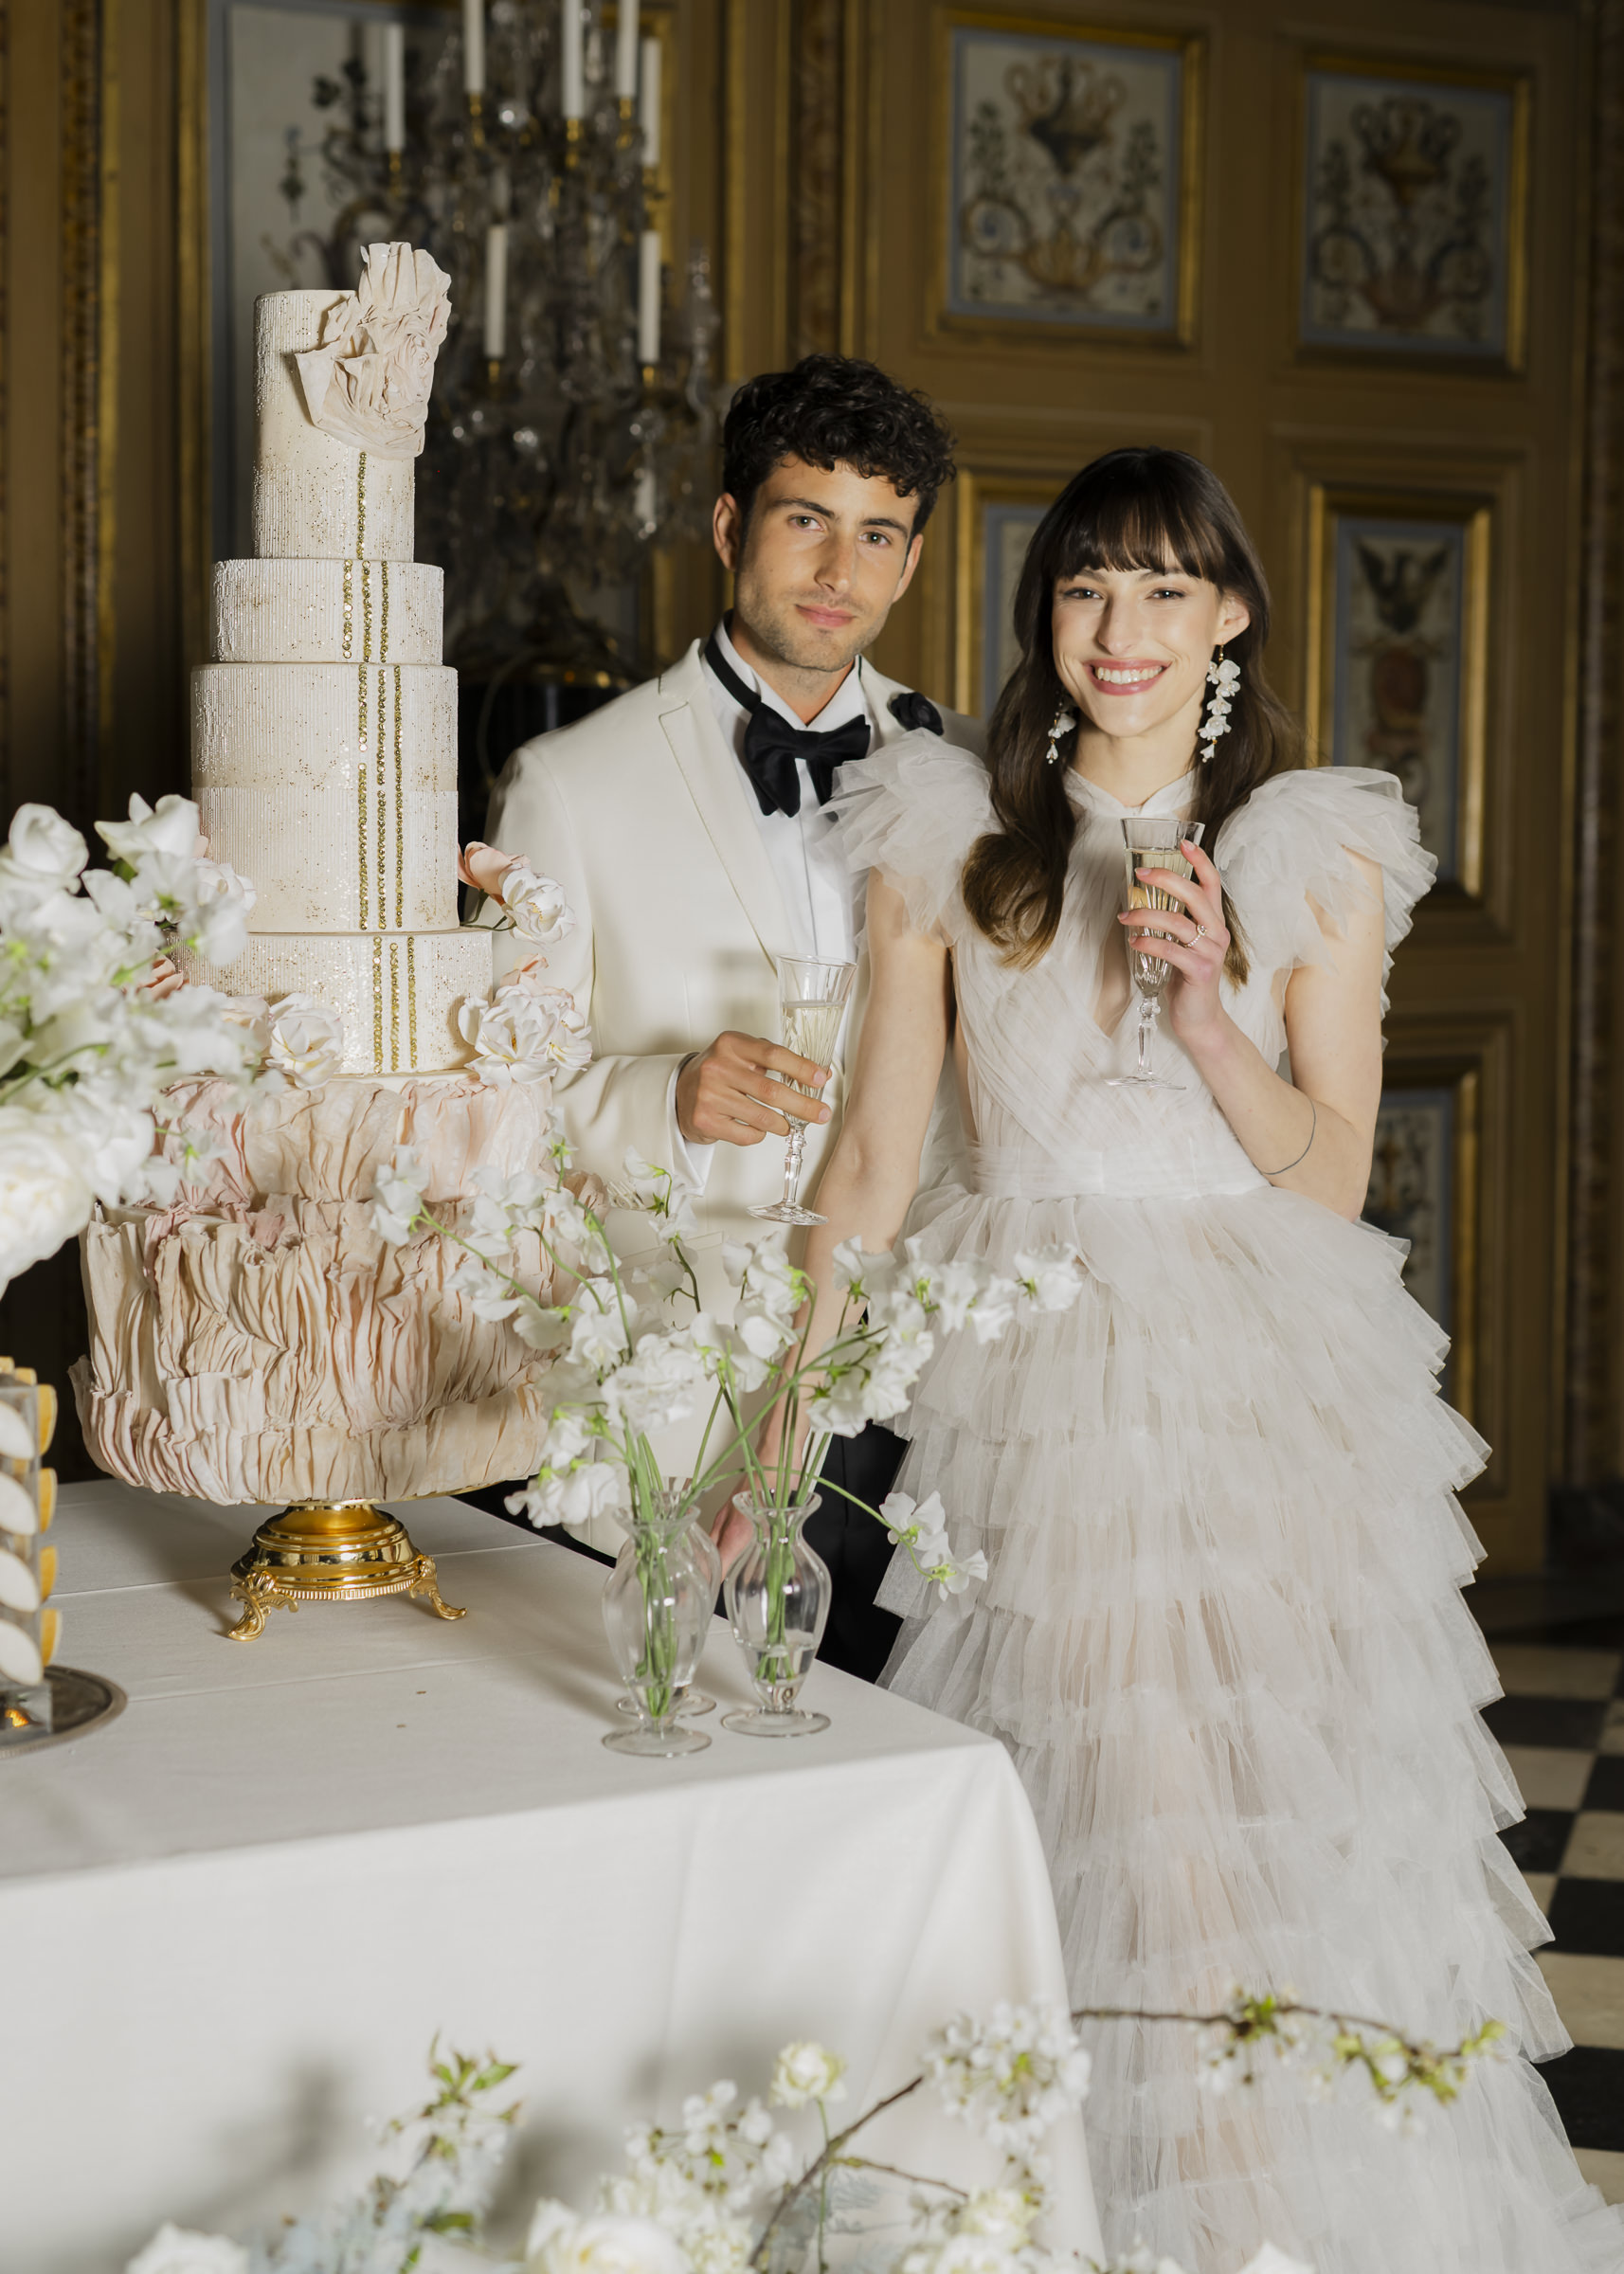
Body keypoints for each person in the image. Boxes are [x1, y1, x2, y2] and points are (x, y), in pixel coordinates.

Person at [795, 447, 1622, 2269]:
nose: (1122, 630)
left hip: (1257, 1389)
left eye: (1166, 589)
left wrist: (1203, 1016)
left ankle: (1257, 2221)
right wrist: (773, 1423)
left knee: (1267, 1828)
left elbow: (1329, 1172)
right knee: (1092, 1815)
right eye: (1087, 587)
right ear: (1043, 614)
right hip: (1029, 1390)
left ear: (1230, 611)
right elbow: (871, 1158)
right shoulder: (941, 836)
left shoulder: (1304, 849)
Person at [475, 353, 980, 1675]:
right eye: (804, 518)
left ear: (910, 562)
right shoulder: (566, 784)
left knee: (901, 1766)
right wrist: (665, 1098)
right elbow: (493, 1092)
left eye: (877, 534)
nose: (838, 567)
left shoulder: (965, 775)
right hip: (674, 1373)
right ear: (727, 529)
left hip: (920, 1373)